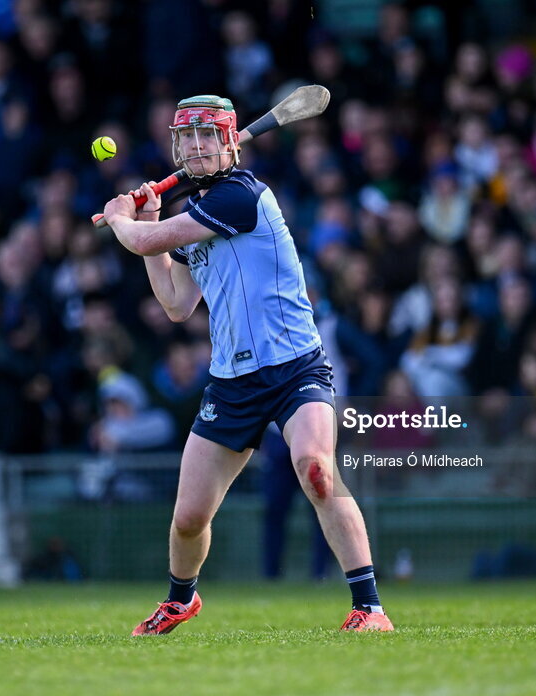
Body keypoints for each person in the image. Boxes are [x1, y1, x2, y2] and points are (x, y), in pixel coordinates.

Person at [101, 95, 393, 634]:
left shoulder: (240, 196)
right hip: (231, 382)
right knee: (189, 518)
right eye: (186, 138)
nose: (194, 147)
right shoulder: (198, 212)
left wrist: (126, 223)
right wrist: (149, 220)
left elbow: (144, 241)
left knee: (316, 470)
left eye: (206, 136)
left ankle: (369, 608)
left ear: (230, 143)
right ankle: (180, 599)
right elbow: (175, 304)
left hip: (296, 368)